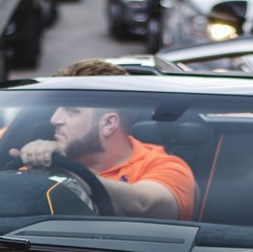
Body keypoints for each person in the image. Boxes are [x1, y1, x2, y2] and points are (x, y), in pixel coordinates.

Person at [11, 60, 196, 220]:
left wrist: (66, 173)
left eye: (71, 111)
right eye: (57, 109)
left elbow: (145, 205)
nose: (54, 119)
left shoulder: (166, 166)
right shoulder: (48, 166)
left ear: (108, 123)